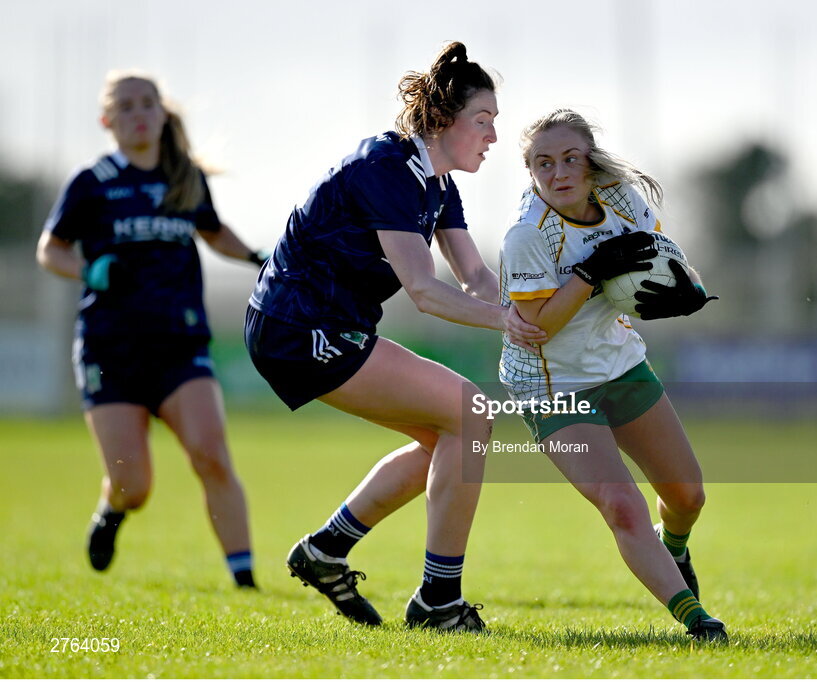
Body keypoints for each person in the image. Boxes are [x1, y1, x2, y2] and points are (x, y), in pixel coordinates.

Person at [245, 42, 545, 631]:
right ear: (441, 120)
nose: (491, 137)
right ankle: (438, 601)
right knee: (471, 413)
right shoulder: (387, 170)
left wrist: (550, 318)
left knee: (450, 438)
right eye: (482, 122)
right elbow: (427, 293)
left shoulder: (436, 183)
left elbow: (478, 279)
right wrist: (513, 326)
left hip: (326, 326)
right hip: (298, 327)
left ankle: (326, 551)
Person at [497, 109, 727, 642]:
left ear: (590, 158)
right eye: (542, 164)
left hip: (620, 365)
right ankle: (697, 620)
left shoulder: (621, 197)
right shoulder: (525, 236)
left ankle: (673, 550)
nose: (558, 174)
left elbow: (659, 260)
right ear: (530, 171)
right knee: (622, 505)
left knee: (688, 496)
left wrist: (685, 290)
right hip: (550, 384)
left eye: (569, 158)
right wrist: (590, 272)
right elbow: (539, 328)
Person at [36, 71, 264, 589]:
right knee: (134, 484)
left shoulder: (184, 176)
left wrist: (254, 256)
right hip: (109, 350)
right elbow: (49, 250)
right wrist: (88, 270)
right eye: (127, 106)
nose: (138, 113)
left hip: (180, 345)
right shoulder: (91, 182)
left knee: (211, 452)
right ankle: (111, 510)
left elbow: (212, 231)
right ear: (107, 120)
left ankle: (246, 581)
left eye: (147, 104)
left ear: (162, 113)